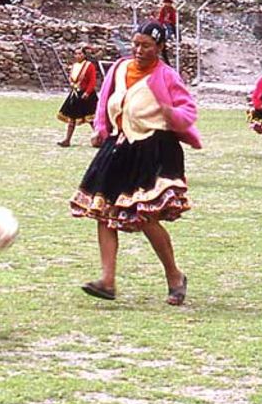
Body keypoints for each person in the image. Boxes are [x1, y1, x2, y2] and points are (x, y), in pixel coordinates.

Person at [71, 22, 201, 306]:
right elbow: (106, 100)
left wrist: (170, 112)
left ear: (160, 48)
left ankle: (175, 276)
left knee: (145, 215)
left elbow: (188, 111)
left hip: (154, 148)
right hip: (119, 145)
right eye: (136, 44)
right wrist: (101, 129)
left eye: (146, 46)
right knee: (103, 211)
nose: (139, 50)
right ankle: (107, 280)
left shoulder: (166, 76)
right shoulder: (119, 68)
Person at [56, 46, 98, 147]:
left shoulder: (89, 66)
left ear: (84, 55)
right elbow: (72, 78)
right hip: (75, 94)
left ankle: (99, 139)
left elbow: (92, 81)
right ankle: (67, 140)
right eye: (76, 54)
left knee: (91, 119)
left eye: (80, 53)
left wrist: (87, 92)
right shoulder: (74, 66)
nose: (78, 56)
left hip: (87, 95)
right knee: (72, 118)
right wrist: (71, 83)